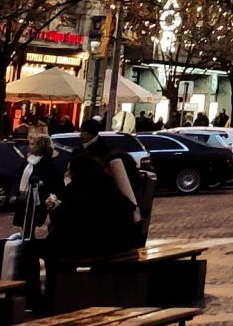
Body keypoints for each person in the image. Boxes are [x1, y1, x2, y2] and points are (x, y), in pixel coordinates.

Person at [43, 117, 143, 280]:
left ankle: (53, 291)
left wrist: (55, 208)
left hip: (92, 246)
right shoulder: (110, 190)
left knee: (46, 249)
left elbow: (64, 220)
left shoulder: (82, 190)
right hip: (113, 243)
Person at [12, 123, 69, 306]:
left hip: (37, 204)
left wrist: (46, 192)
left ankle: (33, 290)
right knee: (26, 234)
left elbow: (54, 185)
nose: (29, 147)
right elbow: (19, 178)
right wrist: (16, 194)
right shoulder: (26, 162)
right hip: (25, 202)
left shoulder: (47, 165)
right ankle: (26, 241)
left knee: (32, 241)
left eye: (33, 144)